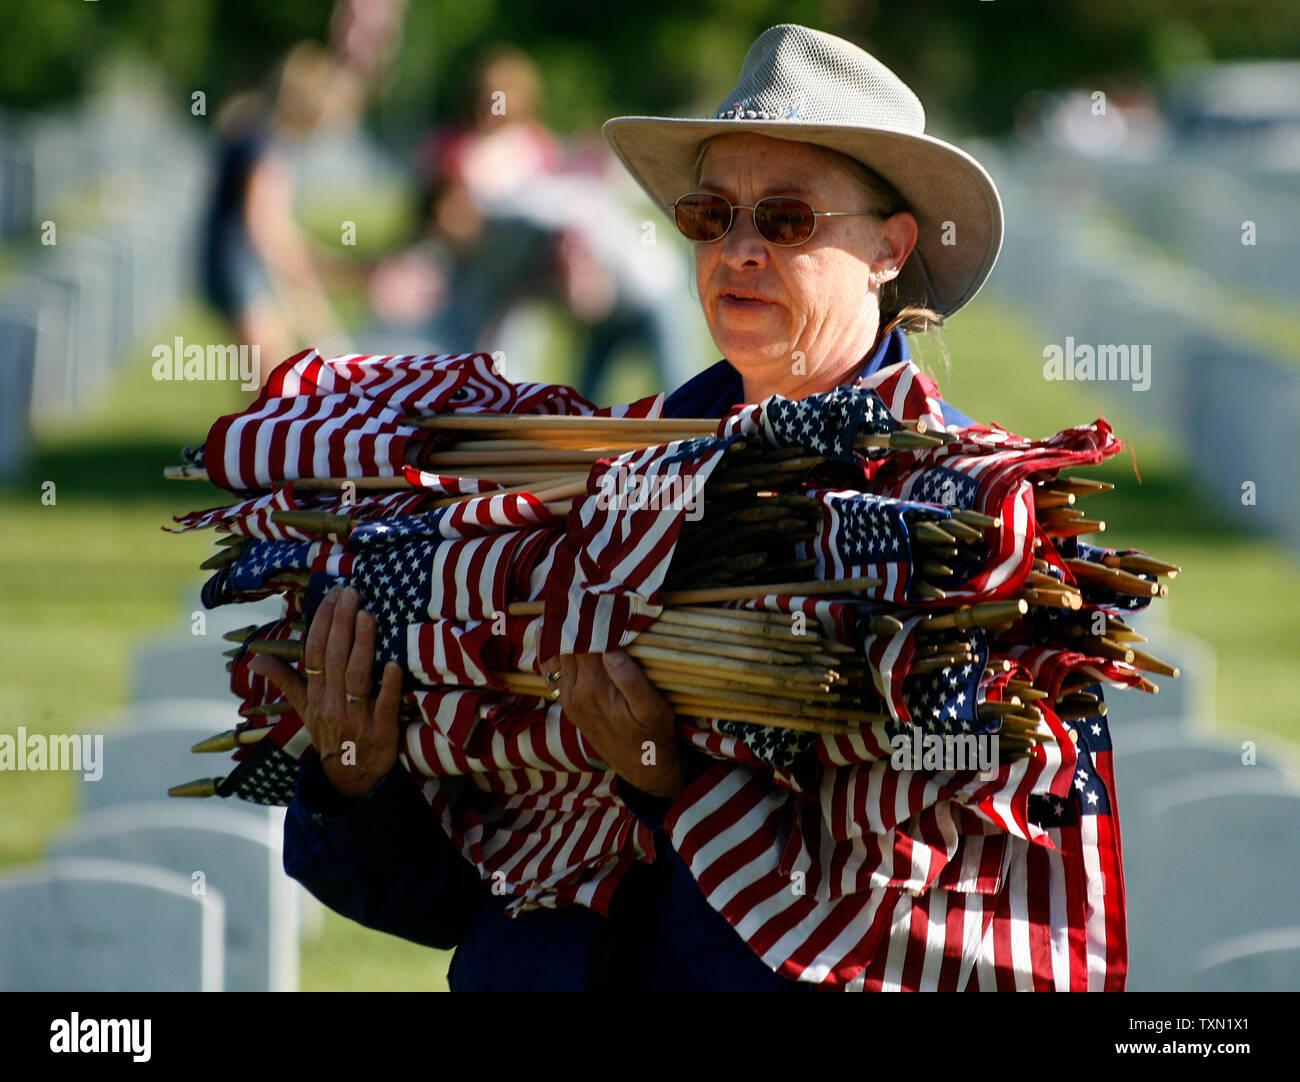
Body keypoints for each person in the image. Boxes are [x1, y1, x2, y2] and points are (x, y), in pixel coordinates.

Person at [251, 24, 1005, 990]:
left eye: (784, 220)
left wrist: (672, 786)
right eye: (709, 216)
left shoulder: (965, 521)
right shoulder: (587, 485)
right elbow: (454, 897)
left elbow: (911, 930)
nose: (736, 250)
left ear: (890, 248)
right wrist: (358, 780)